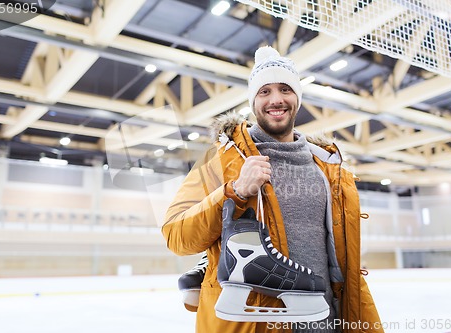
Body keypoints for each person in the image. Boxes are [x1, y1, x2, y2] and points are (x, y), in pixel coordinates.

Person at [161, 46, 383, 333]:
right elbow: (177, 237)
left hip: (326, 320)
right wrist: (235, 191)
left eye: (285, 90)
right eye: (264, 91)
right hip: (256, 322)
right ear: (253, 101)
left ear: (297, 98)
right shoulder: (221, 159)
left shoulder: (327, 167)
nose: (276, 99)